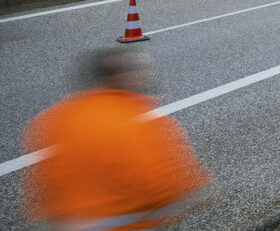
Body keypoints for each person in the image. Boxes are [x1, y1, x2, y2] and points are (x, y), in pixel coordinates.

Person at [21, 48, 212, 230]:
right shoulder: (139, 119)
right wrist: (189, 194)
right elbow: (158, 181)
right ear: (118, 78)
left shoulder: (53, 119)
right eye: (135, 71)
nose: (143, 74)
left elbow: (43, 185)